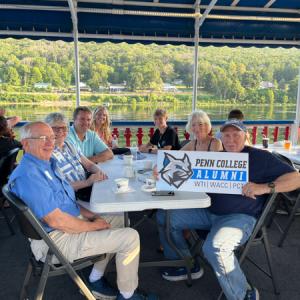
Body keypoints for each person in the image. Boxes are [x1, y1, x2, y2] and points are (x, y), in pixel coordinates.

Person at [8, 121, 158, 300]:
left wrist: (94, 216)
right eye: (42, 138)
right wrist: (94, 226)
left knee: (118, 218)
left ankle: (94, 279)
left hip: (66, 226)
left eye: (51, 137)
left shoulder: (47, 164)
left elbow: (67, 203)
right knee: (130, 237)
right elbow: (57, 221)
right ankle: (127, 295)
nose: (50, 143)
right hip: (55, 241)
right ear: (25, 143)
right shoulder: (29, 175)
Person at [156, 119, 300, 300]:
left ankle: (243, 294)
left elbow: (296, 178)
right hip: (207, 211)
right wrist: (162, 174)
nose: (231, 139)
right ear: (221, 137)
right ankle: (186, 263)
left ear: (245, 136)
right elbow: (187, 177)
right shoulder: (218, 157)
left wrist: (264, 187)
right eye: (226, 135)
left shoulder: (260, 157)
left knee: (215, 247)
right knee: (165, 217)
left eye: (236, 135)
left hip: (240, 217)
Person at [44, 112, 107, 202]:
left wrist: (101, 173)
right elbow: (59, 186)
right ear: (47, 130)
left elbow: (89, 165)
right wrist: (87, 182)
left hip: (88, 188)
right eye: (55, 128)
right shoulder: (47, 154)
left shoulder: (69, 145)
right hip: (73, 197)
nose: (60, 131)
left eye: (64, 128)